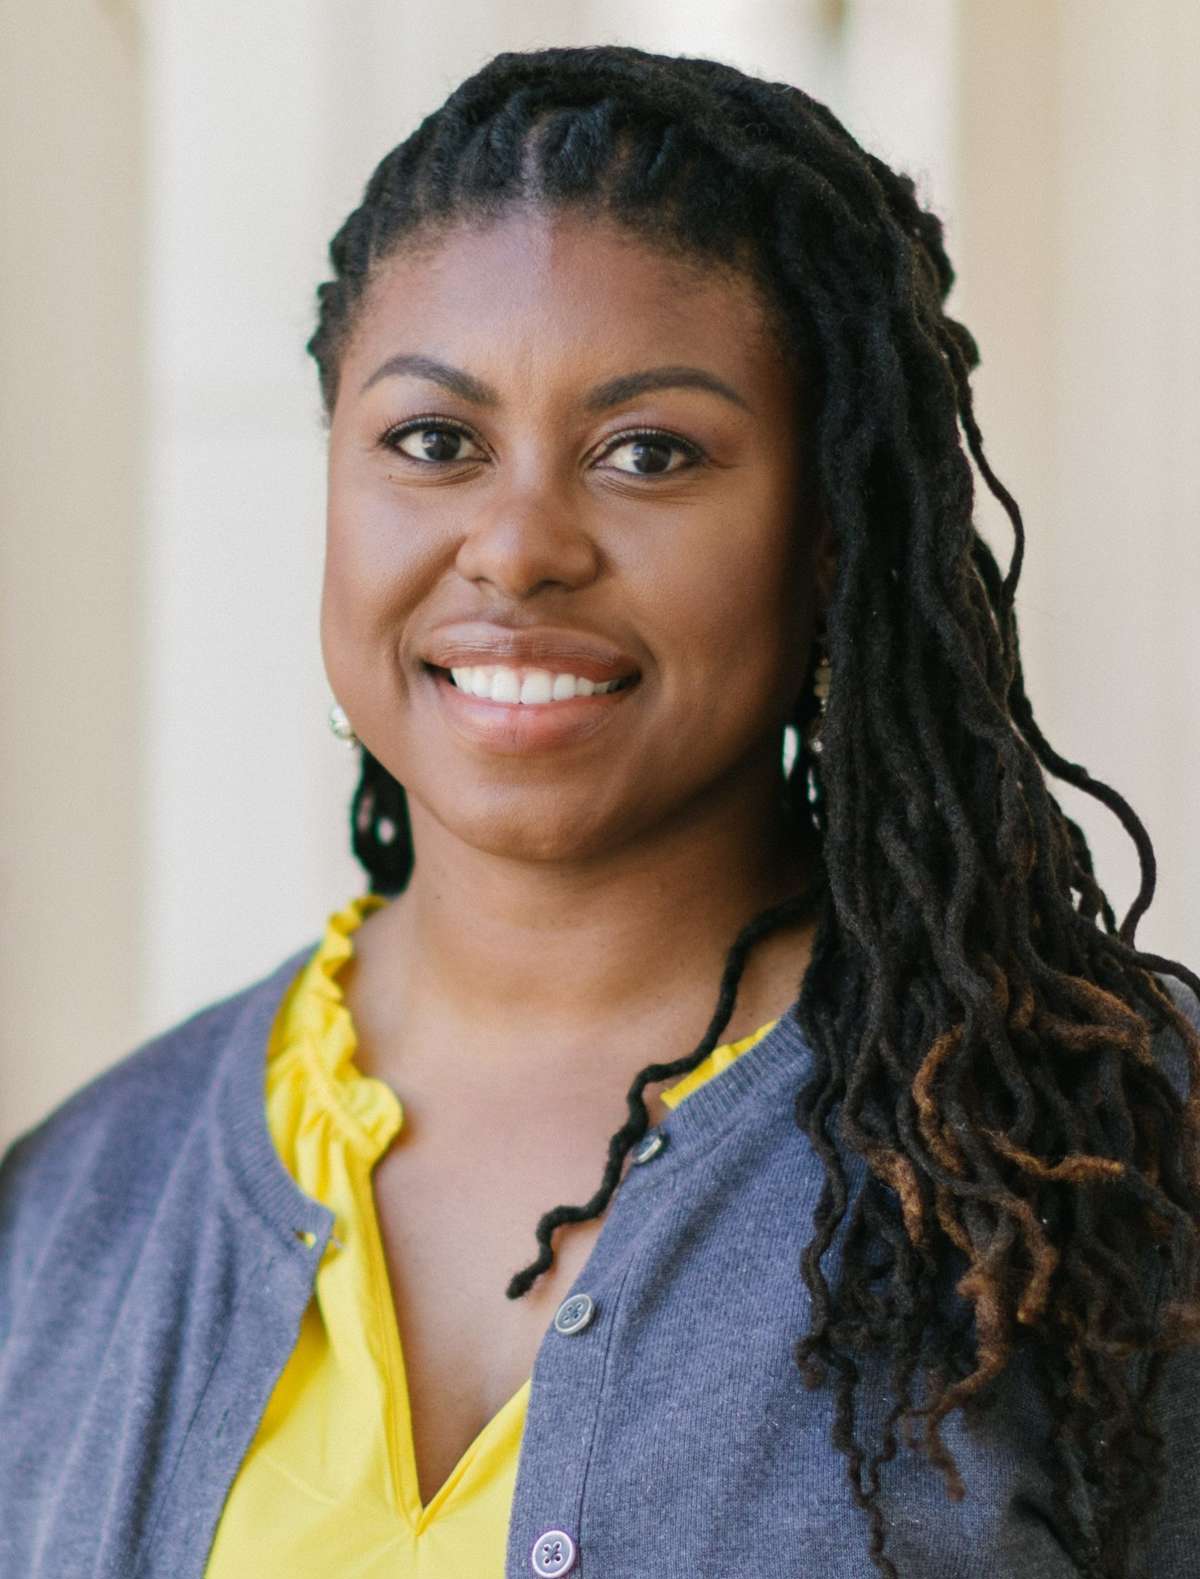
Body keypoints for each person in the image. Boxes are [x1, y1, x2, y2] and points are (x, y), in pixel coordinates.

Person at [1, 41, 1198, 1579]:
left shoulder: (1092, 1161)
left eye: (648, 453)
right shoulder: (75, 1207)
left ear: (830, 534)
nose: (516, 548)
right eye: (434, 443)